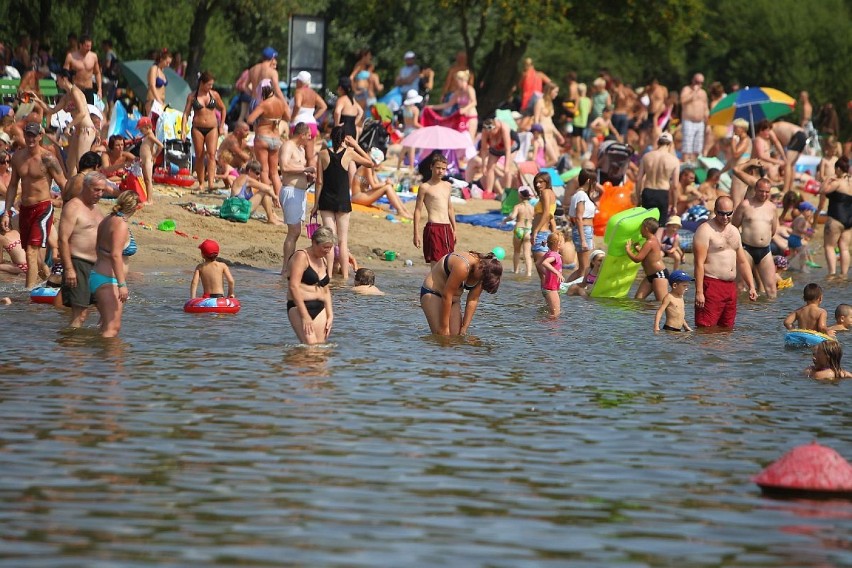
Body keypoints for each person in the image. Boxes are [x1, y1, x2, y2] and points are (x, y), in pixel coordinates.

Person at [2, 122, 67, 288]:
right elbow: (12, 186)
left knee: (31, 252)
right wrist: (6, 212)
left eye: (34, 135)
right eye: (28, 134)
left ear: (40, 135)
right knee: (32, 255)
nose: (30, 138)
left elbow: (63, 185)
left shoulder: (48, 158)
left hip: (43, 208)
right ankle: (49, 280)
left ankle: (28, 294)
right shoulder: (17, 157)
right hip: (25, 210)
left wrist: (70, 208)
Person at [313, 126, 372, 281]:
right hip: (342, 200)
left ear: (331, 137)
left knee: (329, 239)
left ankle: (330, 275)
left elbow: (319, 182)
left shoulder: (322, 154)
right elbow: (370, 163)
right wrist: (355, 145)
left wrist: (315, 205)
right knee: (342, 241)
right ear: (344, 138)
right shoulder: (349, 153)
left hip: (326, 199)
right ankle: (345, 277)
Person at [693, 196, 758, 328]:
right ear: (715, 211)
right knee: (706, 328)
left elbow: (742, 261)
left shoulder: (734, 231)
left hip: (730, 288)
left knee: (727, 329)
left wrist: (751, 285)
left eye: (728, 213)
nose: (725, 217)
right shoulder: (705, 230)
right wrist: (699, 292)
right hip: (711, 284)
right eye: (721, 213)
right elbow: (699, 263)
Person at [58, 171, 106, 325]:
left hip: (97, 266)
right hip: (78, 263)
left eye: (102, 190)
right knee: (80, 314)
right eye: (96, 190)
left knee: (107, 310)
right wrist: (69, 268)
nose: (99, 194)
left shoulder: (96, 209)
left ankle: (97, 345)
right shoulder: (73, 207)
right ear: (85, 186)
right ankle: (71, 346)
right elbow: (63, 239)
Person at [419, 250, 503, 336]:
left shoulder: (484, 275)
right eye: (481, 279)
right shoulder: (463, 267)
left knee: (456, 337)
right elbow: (447, 295)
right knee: (442, 336)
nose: (480, 281)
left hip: (453, 300)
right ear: (481, 268)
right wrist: (444, 327)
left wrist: (464, 327)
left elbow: (473, 300)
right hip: (433, 292)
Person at [91, 191, 139, 337]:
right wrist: (122, 284)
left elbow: (98, 248)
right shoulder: (120, 225)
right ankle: (113, 360)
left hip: (97, 275)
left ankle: (96, 356)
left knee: (105, 326)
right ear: (136, 207)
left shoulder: (107, 220)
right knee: (113, 328)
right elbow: (116, 255)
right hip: (108, 280)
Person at [31, 70, 97, 176]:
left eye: (58, 79)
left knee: (81, 163)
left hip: (86, 130)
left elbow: (82, 113)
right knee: (70, 163)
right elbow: (51, 110)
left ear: (64, 79)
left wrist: (68, 126)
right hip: (78, 130)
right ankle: (73, 187)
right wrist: (38, 100)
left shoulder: (75, 91)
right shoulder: (66, 97)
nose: (57, 82)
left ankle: (86, 187)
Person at [730, 174, 779, 298]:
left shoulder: (772, 208)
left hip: (765, 250)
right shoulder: (745, 205)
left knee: (772, 289)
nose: (764, 194)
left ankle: (769, 315)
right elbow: (734, 226)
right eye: (761, 191)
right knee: (740, 286)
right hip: (747, 249)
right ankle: (742, 315)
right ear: (756, 190)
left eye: (767, 192)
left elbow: (773, 230)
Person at [287, 226, 334, 345]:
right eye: (324, 247)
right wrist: (305, 316)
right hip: (299, 307)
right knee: (310, 348)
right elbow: (293, 286)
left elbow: (325, 289)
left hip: (320, 308)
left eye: (330, 247)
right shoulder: (301, 256)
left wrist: (330, 314)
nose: (327, 251)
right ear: (314, 243)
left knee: (320, 350)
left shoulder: (323, 259)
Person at [279, 122, 316, 275]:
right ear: (301, 134)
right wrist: (306, 169)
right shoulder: (288, 146)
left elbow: (296, 170)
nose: (310, 138)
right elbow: (285, 167)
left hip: (300, 193)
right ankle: (285, 268)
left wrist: (307, 177)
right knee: (293, 231)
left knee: (296, 232)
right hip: (290, 191)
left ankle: (288, 267)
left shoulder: (300, 149)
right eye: (309, 135)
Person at [181, 71, 226, 193]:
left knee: (211, 155)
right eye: (209, 84)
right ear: (202, 83)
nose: (211, 87)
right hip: (197, 128)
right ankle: (201, 183)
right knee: (200, 156)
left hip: (212, 128)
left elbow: (223, 109)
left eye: (212, 85)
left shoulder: (214, 95)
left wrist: (221, 125)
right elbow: (186, 113)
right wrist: (183, 130)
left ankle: (211, 183)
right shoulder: (192, 96)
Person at [247, 81, 290, 201]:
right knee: (274, 172)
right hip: (276, 139)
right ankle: (280, 199)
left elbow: (250, 119)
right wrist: (275, 119)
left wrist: (264, 119)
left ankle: (269, 198)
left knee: (264, 171)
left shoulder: (263, 104)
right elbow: (288, 117)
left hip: (262, 137)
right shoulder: (281, 103)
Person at [413, 152, 456, 266]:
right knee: (436, 265)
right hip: (434, 228)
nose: (440, 171)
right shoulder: (425, 187)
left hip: (447, 228)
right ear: (431, 167)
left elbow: (450, 208)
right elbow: (418, 210)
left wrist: (454, 229)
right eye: (437, 168)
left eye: (443, 169)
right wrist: (416, 233)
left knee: (448, 264)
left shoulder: (447, 185)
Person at [565, 170, 602, 284]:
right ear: (588, 181)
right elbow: (579, 218)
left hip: (587, 230)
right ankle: (565, 286)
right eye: (594, 181)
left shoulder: (585, 195)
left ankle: (568, 287)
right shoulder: (581, 195)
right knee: (584, 268)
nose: (596, 184)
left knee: (585, 268)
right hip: (583, 230)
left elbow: (602, 192)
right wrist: (583, 240)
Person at [351, 148, 412, 217]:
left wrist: (386, 183)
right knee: (387, 187)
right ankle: (401, 211)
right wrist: (386, 183)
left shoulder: (371, 168)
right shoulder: (367, 167)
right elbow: (374, 186)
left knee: (388, 187)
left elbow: (377, 183)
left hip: (362, 195)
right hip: (357, 197)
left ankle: (404, 210)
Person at [818, 157, 852, 277]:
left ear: (838, 168)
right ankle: (844, 275)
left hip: (836, 218)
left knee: (829, 246)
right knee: (844, 248)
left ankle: (832, 274)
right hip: (849, 219)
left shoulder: (837, 182)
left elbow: (822, 190)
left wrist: (827, 179)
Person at [636, 132, 680, 221]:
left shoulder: (646, 156)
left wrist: (638, 198)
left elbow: (638, 179)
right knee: (660, 225)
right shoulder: (674, 160)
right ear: (670, 144)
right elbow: (675, 186)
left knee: (646, 224)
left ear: (658, 142)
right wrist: (674, 205)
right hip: (662, 193)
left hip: (648, 191)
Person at [626, 218, 669, 301]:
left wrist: (628, 249)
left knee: (661, 303)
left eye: (641, 228)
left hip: (659, 274)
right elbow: (648, 256)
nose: (640, 230)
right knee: (638, 301)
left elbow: (637, 259)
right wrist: (638, 249)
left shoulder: (650, 242)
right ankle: (648, 313)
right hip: (650, 276)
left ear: (646, 228)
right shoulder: (652, 241)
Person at [290, 70, 327, 167]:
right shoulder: (313, 93)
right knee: (310, 156)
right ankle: (312, 178)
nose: (296, 83)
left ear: (300, 81)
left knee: (294, 153)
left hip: (299, 124)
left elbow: (297, 105)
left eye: (297, 81)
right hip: (312, 125)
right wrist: (313, 117)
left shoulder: (299, 91)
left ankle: (298, 176)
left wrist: (292, 118)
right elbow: (323, 106)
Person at [230, 159, 283, 225]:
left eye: (259, 174)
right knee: (264, 191)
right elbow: (268, 188)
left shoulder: (249, 184)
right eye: (257, 173)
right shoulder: (244, 178)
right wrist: (275, 197)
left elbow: (265, 198)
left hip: (240, 211)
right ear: (249, 171)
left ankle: (273, 216)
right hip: (237, 210)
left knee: (264, 193)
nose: (258, 176)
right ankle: (271, 219)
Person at [502, 185, 535, 276]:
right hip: (528, 230)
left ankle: (516, 270)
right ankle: (528, 273)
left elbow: (512, 216)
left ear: (520, 196)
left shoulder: (518, 206)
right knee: (527, 253)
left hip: (519, 229)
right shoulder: (532, 208)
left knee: (517, 251)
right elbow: (534, 218)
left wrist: (505, 221)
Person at [479, 117, 515, 197]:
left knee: (507, 170)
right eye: (489, 133)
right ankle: (488, 192)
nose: (490, 134)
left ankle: (507, 193)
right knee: (489, 168)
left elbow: (507, 149)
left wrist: (506, 165)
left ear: (496, 127)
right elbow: (484, 149)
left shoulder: (504, 128)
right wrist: (483, 165)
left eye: (492, 132)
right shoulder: (485, 131)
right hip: (496, 148)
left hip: (511, 147)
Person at [529, 171, 557, 267]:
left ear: (547, 182)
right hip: (544, 233)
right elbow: (551, 216)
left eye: (541, 182)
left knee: (541, 268)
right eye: (536, 182)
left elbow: (546, 213)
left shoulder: (545, 192)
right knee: (543, 269)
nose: (537, 185)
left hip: (540, 234)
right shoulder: (551, 193)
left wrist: (535, 231)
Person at [679, 73, 708, 164]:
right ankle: (685, 165)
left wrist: (707, 119)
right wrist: (694, 93)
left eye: (701, 83)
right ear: (693, 80)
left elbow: (705, 106)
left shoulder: (703, 93)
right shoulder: (686, 89)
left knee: (698, 147)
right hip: (689, 121)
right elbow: (682, 101)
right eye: (697, 82)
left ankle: (694, 165)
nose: (698, 84)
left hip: (700, 122)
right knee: (687, 146)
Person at [533, 82, 565, 165]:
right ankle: (539, 171)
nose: (556, 94)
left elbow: (550, 122)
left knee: (556, 158)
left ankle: (547, 174)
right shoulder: (539, 102)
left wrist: (558, 135)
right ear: (549, 91)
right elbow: (536, 120)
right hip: (543, 136)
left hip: (551, 135)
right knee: (554, 159)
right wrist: (537, 135)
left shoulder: (550, 103)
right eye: (555, 92)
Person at [63, 35, 101, 104]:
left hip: (89, 89)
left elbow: (97, 73)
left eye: (90, 46)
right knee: (76, 112)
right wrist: (68, 88)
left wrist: (100, 89)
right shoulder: (71, 57)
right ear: (80, 45)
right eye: (87, 46)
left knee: (89, 112)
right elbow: (65, 74)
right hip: (76, 89)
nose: (89, 48)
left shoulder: (93, 56)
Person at [772, 120, 807, 194]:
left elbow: (776, 142)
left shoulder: (771, 129)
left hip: (797, 136)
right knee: (791, 165)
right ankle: (790, 188)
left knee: (787, 164)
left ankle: (785, 190)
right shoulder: (778, 125)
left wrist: (783, 156)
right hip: (803, 135)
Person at [136, 117, 163, 205]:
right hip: (144, 160)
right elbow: (151, 147)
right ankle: (147, 197)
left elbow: (160, 145)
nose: (140, 131)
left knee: (148, 180)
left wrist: (155, 156)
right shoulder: (147, 135)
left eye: (141, 129)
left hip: (148, 160)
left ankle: (149, 200)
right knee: (145, 180)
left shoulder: (151, 135)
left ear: (147, 127)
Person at [537, 232, 564, 317]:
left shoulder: (548, 253)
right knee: (555, 314)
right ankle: (548, 328)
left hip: (547, 288)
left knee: (551, 312)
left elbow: (538, 263)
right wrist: (557, 273)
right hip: (551, 289)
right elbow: (545, 263)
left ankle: (545, 326)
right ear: (558, 244)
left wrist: (547, 273)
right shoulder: (555, 256)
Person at [397, 89, 423, 174]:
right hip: (412, 131)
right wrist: (423, 128)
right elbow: (415, 123)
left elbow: (406, 122)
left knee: (404, 149)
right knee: (412, 149)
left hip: (406, 130)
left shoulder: (405, 109)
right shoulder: (415, 109)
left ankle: (398, 166)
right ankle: (411, 167)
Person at [146, 49, 171, 126]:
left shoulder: (162, 72)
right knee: (152, 125)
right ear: (161, 59)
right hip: (153, 101)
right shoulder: (154, 68)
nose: (168, 65)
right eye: (167, 62)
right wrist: (158, 100)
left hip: (160, 102)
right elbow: (152, 85)